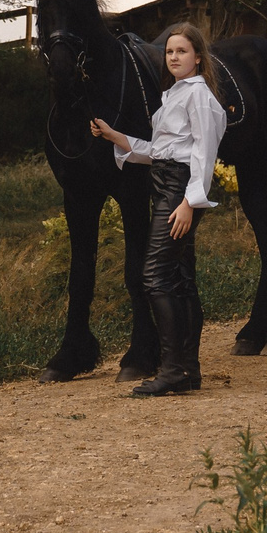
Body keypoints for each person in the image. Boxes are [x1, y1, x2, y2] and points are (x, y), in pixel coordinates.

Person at [89, 23, 227, 397]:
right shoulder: (174, 94)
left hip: (180, 190)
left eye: (182, 51)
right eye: (170, 52)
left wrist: (188, 202)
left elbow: (204, 153)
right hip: (166, 183)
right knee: (178, 279)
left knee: (154, 276)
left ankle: (172, 369)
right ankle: (188, 371)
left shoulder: (198, 96)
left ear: (198, 56)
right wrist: (115, 136)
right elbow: (161, 150)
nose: (174, 57)